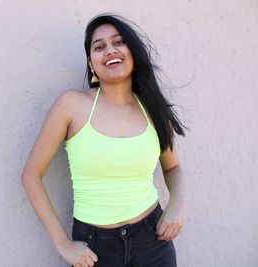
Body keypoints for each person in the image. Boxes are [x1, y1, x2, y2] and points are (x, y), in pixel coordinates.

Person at [21, 13, 187, 267]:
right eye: (99, 47)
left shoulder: (153, 109)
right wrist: (62, 243)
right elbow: (31, 175)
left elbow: (173, 167)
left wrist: (177, 205)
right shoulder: (71, 105)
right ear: (91, 62)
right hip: (95, 249)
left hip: (153, 241)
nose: (110, 51)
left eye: (118, 42)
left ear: (132, 51)